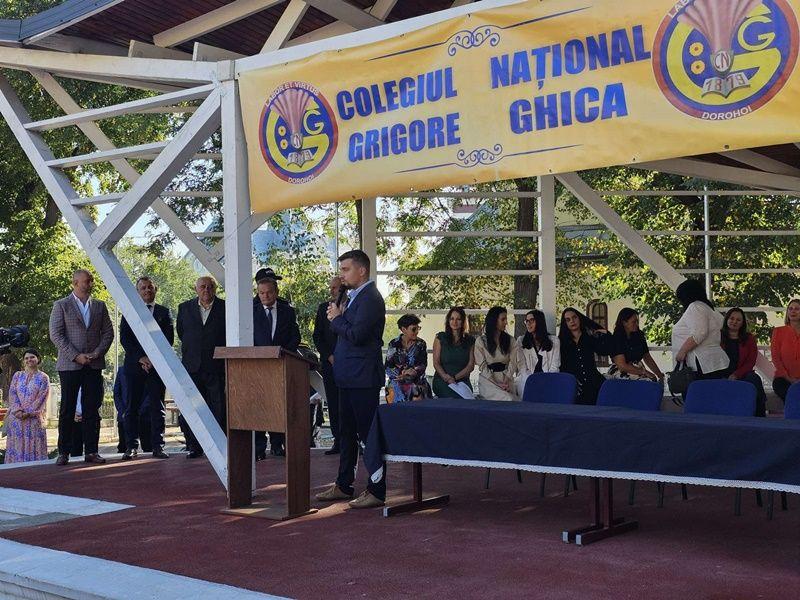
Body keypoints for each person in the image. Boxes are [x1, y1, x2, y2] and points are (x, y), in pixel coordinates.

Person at [315, 249, 387, 509]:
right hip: (347, 377)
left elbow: (357, 335)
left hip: (363, 378)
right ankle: (344, 484)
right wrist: (339, 316)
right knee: (346, 433)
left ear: (362, 270)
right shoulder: (354, 297)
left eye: (346, 269)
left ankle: (377, 489)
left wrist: (337, 319)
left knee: (368, 435)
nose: (342, 275)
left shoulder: (371, 298)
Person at [49, 269, 114, 465]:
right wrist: (76, 356)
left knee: (92, 409)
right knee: (67, 408)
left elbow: (108, 333)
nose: (90, 283)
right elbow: (56, 334)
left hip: (93, 364)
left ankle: (92, 451)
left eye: (91, 280)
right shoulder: (61, 305)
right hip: (69, 365)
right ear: (75, 283)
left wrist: (96, 353)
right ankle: (64, 452)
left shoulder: (100, 306)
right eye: (87, 281)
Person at [120, 276, 173, 460]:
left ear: (155, 289)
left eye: (150, 287)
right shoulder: (129, 312)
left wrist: (152, 359)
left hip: (156, 368)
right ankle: (131, 447)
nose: (147, 290)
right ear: (137, 292)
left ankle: (158, 446)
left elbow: (168, 339)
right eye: (143, 288)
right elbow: (125, 339)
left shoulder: (164, 312)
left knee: (157, 408)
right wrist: (141, 358)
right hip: (134, 367)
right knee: (131, 408)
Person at [176, 276, 226, 459]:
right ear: (196, 289)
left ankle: (219, 445)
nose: (206, 290)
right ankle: (194, 446)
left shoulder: (225, 307)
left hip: (216, 366)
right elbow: (182, 332)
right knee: (193, 408)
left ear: (215, 289)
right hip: (192, 366)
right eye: (202, 287)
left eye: (210, 286)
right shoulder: (184, 308)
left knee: (218, 407)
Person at [253, 277, 301, 459]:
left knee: (278, 407)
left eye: (269, 292)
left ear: (276, 292)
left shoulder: (288, 312)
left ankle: (277, 444)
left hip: (281, 366)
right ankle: (259, 448)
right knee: (259, 408)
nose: (265, 296)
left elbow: (295, 336)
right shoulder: (251, 312)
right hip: (258, 368)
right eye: (261, 293)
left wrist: (283, 353)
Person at [671, 279, 730, 380]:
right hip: (714, 361)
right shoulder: (709, 308)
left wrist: (682, 351)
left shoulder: (695, 307)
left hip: (702, 362)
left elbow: (700, 333)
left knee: (698, 390)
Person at [313, 276, 343, 455]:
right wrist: (329, 356)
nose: (332, 291)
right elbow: (317, 336)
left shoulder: (350, 307)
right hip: (330, 364)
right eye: (330, 287)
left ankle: (354, 440)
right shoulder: (323, 308)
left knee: (349, 403)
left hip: (350, 364)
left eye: (335, 288)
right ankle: (338, 440)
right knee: (333, 402)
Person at [558, 308, 611, 405]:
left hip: (594, 382)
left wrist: (605, 334)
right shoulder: (562, 342)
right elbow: (562, 365)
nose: (572, 321)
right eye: (568, 320)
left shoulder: (589, 337)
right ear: (565, 323)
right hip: (574, 385)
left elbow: (604, 351)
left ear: (579, 318)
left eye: (574, 317)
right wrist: (570, 381)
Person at [4, 348, 49, 463]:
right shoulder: (17, 376)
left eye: (32, 357)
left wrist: (28, 413)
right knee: (16, 448)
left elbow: (41, 398)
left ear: (38, 359)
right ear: (23, 361)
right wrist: (18, 412)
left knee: (34, 450)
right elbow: (12, 393)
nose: (29, 360)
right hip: (16, 420)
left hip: (33, 420)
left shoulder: (43, 377)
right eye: (26, 358)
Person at [721, 307, 766, 417]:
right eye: (732, 318)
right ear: (727, 319)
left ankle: (760, 416)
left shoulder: (749, 338)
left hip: (742, 373)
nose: (734, 322)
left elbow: (751, 362)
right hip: (721, 373)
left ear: (742, 323)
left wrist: (736, 374)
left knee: (754, 379)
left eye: (738, 320)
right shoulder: (717, 336)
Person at [474, 306, 519, 401]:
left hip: (506, 378)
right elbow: (482, 366)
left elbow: (513, 362)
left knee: (512, 399)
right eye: (503, 319)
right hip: (488, 380)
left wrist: (506, 381)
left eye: (506, 319)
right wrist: (497, 384)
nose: (506, 322)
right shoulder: (481, 341)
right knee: (507, 398)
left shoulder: (510, 340)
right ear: (494, 320)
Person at [608, 307, 664, 382]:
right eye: (634, 322)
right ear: (624, 323)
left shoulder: (639, 336)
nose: (637, 324)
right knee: (646, 382)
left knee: (653, 380)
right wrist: (644, 372)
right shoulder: (616, 339)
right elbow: (622, 366)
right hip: (621, 371)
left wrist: (659, 375)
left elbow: (647, 357)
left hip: (637, 369)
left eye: (637, 321)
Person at [385, 314, 431, 403]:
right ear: (403, 329)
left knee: (415, 388)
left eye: (418, 328)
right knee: (393, 388)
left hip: (416, 380)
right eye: (414, 329)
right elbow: (388, 366)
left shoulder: (421, 344)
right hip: (397, 380)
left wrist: (409, 375)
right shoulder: (393, 344)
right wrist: (401, 374)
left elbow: (422, 365)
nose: (417, 331)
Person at [515, 309, 560, 398]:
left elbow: (555, 366)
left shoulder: (554, 341)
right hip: (527, 380)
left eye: (531, 320)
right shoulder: (521, 341)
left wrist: (545, 381)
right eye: (526, 321)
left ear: (539, 321)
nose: (528, 324)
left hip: (549, 379)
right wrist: (533, 382)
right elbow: (522, 367)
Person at [432, 307, 475, 398]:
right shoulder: (440, 338)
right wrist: (446, 377)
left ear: (463, 321)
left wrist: (455, 378)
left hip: (462, 380)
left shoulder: (470, 340)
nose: (454, 322)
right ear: (448, 321)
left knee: (468, 399)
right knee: (455, 398)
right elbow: (436, 363)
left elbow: (470, 366)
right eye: (452, 318)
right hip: (442, 380)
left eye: (458, 319)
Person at [771, 298, 800, 401]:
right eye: (790, 309)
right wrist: (789, 378)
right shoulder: (778, 332)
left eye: (797, 309)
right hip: (783, 378)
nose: (793, 311)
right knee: (791, 395)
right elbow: (776, 358)